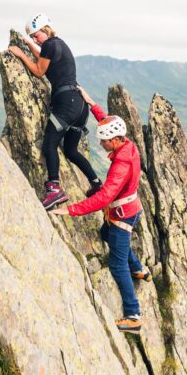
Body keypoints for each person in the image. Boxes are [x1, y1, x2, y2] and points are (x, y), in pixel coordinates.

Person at [51, 87, 151, 334]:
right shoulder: (126, 145)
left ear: (115, 141)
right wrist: (92, 104)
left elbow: (105, 196)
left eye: (104, 140)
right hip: (129, 209)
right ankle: (139, 269)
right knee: (106, 236)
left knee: (117, 265)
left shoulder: (121, 163)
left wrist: (71, 210)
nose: (101, 143)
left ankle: (133, 316)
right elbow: (108, 123)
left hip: (122, 216)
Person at [8, 14, 102, 209]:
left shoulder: (50, 44)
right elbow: (43, 57)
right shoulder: (57, 44)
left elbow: (39, 70)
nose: (35, 39)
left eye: (35, 35)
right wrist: (29, 44)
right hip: (79, 107)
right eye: (32, 37)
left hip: (65, 104)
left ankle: (54, 189)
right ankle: (96, 183)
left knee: (49, 144)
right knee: (70, 151)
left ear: (45, 29)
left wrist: (21, 54)